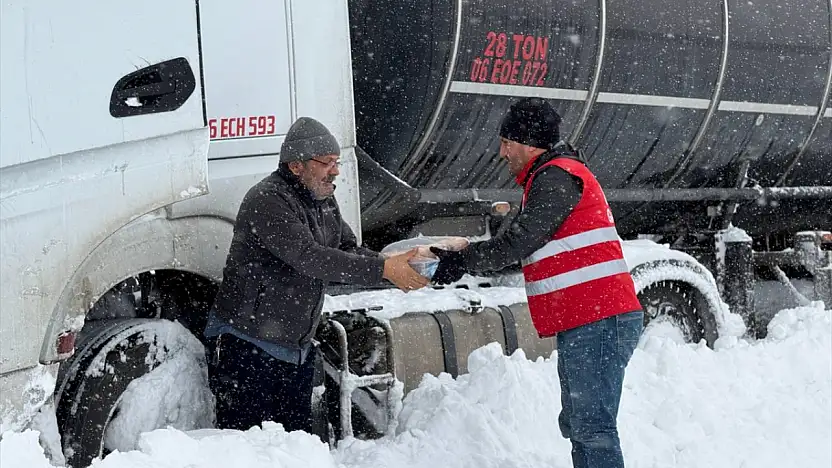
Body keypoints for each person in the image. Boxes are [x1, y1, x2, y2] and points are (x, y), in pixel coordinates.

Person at [430, 98, 644, 468]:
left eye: (506, 143)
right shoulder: (552, 176)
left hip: (599, 319)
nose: (501, 152)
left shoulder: (557, 177)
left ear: (529, 143)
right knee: (580, 424)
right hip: (591, 318)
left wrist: (463, 261)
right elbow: (526, 243)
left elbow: (520, 241)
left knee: (592, 428)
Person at [205, 116, 429, 435]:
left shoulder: (323, 199)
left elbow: (348, 248)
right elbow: (309, 257)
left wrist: (396, 268)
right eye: (327, 162)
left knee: (295, 451)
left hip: (294, 351)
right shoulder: (268, 200)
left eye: (336, 162)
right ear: (297, 166)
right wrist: (383, 269)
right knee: (248, 451)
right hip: (249, 348)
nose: (336, 170)